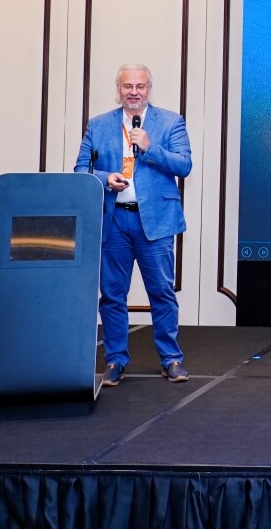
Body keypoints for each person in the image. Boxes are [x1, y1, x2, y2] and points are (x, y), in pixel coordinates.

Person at [75, 63, 192, 386]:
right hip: (114, 221)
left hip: (155, 222)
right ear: (119, 89)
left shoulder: (170, 122)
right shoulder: (98, 125)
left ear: (149, 89)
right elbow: (80, 169)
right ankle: (115, 360)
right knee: (112, 295)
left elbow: (184, 165)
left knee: (162, 292)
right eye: (128, 86)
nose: (134, 92)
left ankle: (171, 359)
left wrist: (151, 148)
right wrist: (104, 178)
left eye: (140, 86)